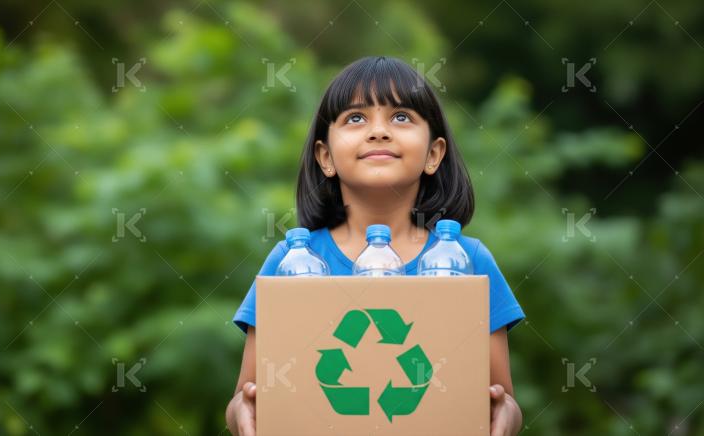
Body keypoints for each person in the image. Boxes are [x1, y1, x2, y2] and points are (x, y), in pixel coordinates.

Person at [225, 56, 525, 435]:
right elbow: (244, 399)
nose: (378, 131)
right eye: (355, 118)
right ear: (325, 157)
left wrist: (504, 419)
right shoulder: (292, 260)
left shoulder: (469, 260)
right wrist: (243, 414)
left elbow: (502, 399)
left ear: (434, 154)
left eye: (401, 117)